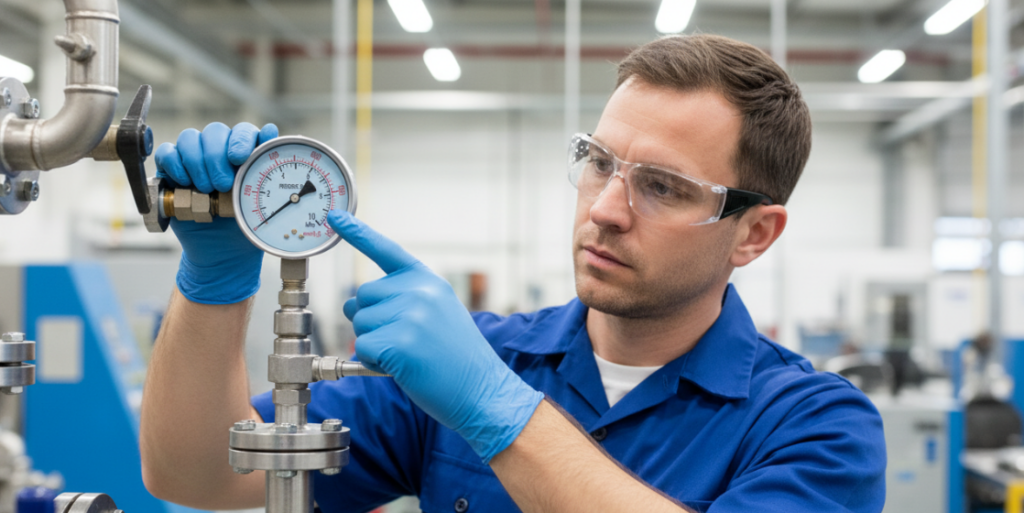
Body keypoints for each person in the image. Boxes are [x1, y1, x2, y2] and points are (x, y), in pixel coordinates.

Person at [139, 34, 886, 513]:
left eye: (663, 187)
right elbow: (198, 474)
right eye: (600, 163)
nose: (607, 210)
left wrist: (497, 411)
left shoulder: (817, 427)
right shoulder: (476, 357)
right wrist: (214, 285)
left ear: (754, 234)